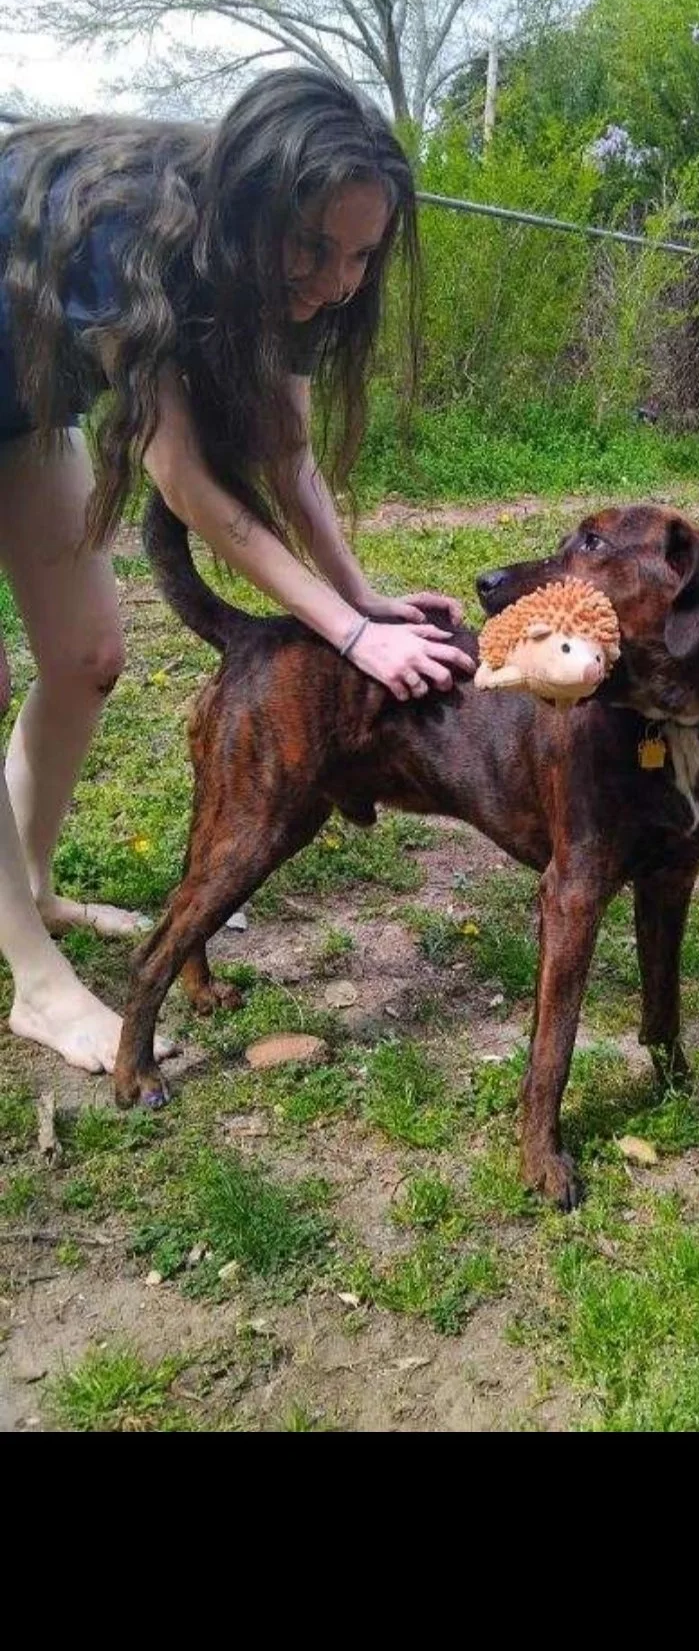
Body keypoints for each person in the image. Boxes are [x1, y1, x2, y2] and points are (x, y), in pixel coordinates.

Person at [0, 65, 473, 1075]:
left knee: (86, 654)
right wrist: (351, 640)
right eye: (315, 246)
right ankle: (36, 982)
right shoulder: (129, 228)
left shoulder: (283, 281)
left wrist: (362, 598)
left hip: (23, 399)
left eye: (360, 255)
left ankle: (30, 883)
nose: (338, 279)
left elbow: (287, 456)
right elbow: (192, 489)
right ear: (259, 200)